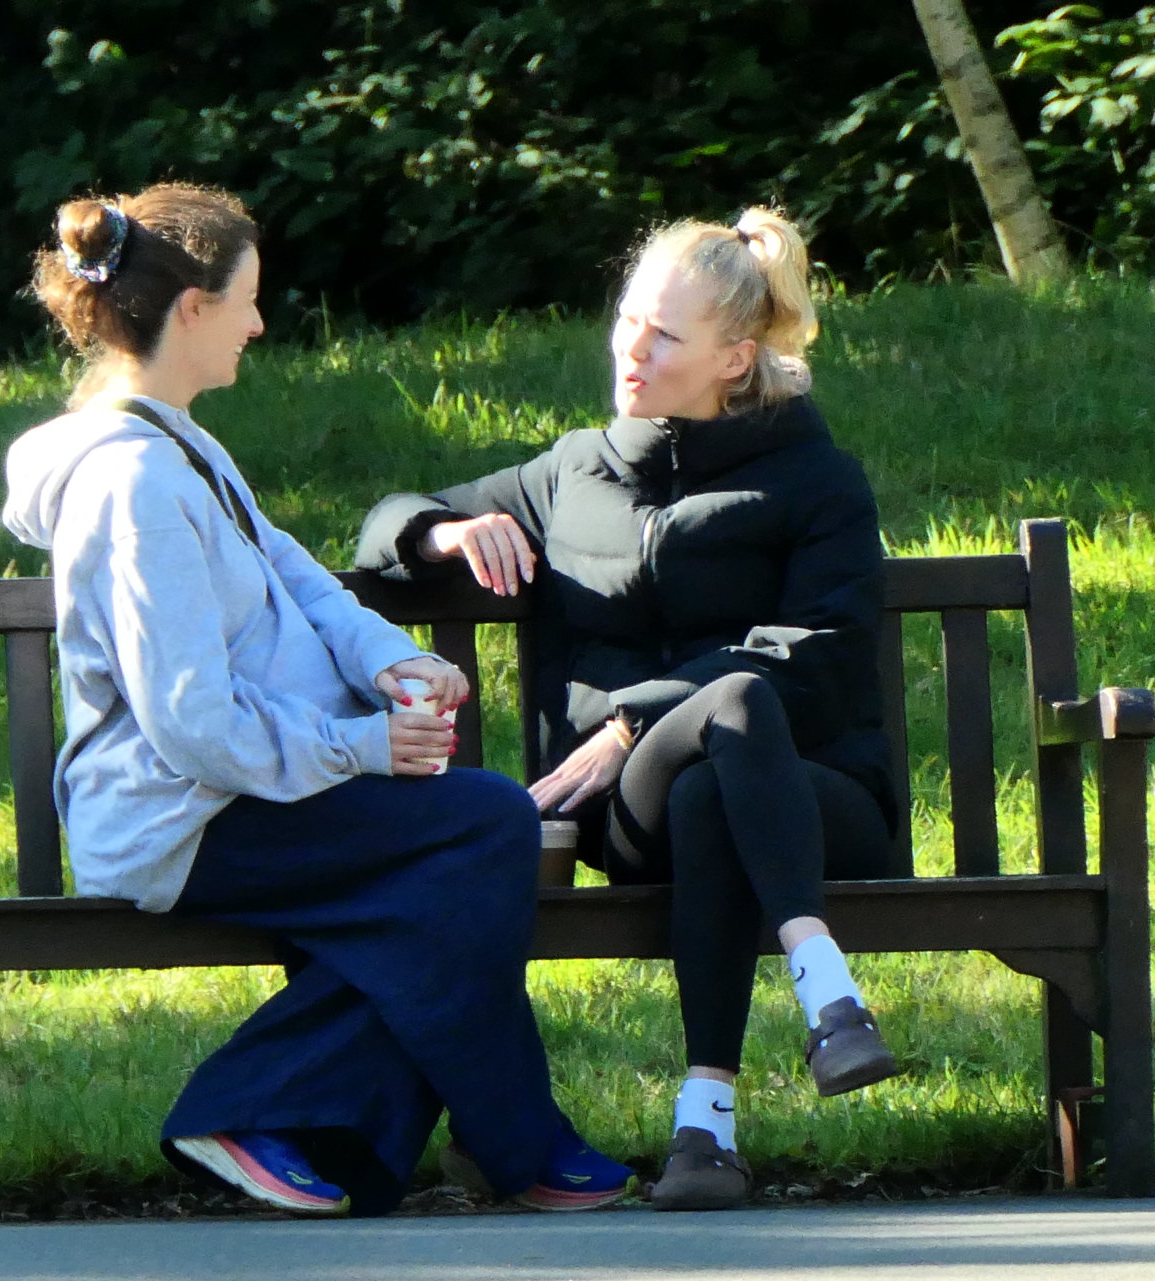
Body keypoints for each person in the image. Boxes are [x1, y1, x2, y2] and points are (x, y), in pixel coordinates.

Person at [0, 184, 631, 1218]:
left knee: (441, 884)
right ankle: (284, 1110)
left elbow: (290, 570)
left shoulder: (180, 444)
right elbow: (192, 723)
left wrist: (392, 662)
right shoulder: (136, 486)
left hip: (245, 788)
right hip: (185, 816)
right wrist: (366, 747)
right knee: (480, 830)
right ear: (192, 310)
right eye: (247, 299)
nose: (258, 321)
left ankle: (378, 1137)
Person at [356, 207, 902, 1213]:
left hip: (816, 800)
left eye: (665, 336)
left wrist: (631, 719)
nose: (631, 349)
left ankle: (707, 1129)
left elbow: (817, 658)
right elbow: (380, 523)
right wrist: (443, 531)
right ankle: (824, 991)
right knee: (700, 767)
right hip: (625, 817)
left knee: (723, 758)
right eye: (629, 321)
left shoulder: (817, 482)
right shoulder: (572, 472)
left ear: (737, 358)